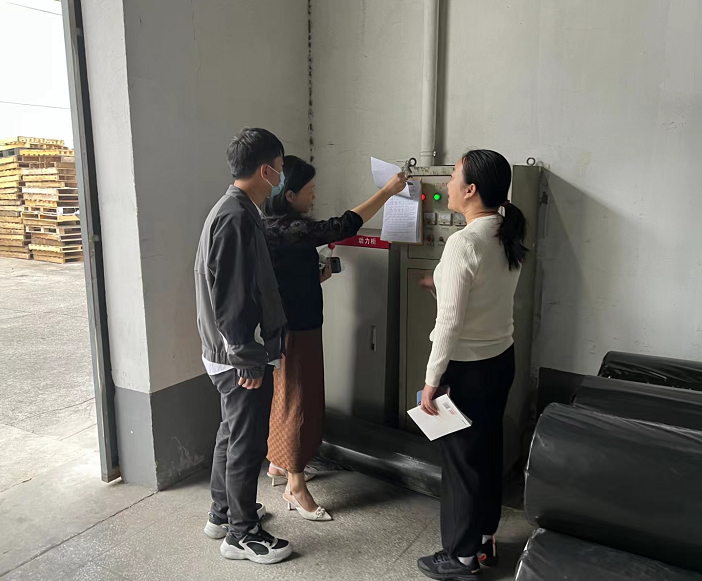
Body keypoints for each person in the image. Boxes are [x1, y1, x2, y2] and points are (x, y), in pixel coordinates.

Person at [261, 155, 406, 521]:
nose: (314, 196)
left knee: (287, 396)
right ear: (289, 195)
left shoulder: (274, 226)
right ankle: (296, 486)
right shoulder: (289, 228)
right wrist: (388, 191)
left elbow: (285, 276)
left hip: (292, 324)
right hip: (297, 329)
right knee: (300, 401)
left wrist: (316, 277)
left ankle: (278, 464)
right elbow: (344, 225)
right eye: (309, 190)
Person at [416, 150, 527, 580]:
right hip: (500, 361)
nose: (447, 185)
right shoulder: (505, 232)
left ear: (471, 190)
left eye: (453, 177)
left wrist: (432, 380)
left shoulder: (463, 242)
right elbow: (484, 297)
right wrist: (440, 283)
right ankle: (483, 538)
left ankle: (461, 557)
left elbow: (450, 323)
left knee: (461, 462)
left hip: (466, 370)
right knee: (487, 449)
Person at [194, 127, 292, 565]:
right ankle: (242, 535)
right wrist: (248, 358)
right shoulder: (235, 216)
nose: (281, 178)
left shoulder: (233, 208)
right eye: (280, 169)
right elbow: (232, 297)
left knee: (231, 432)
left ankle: (223, 513)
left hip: (227, 352)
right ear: (265, 170)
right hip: (238, 355)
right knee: (246, 443)